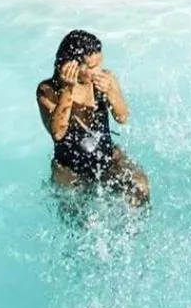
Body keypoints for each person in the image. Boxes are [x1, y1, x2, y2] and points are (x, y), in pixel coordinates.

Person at [36, 29, 150, 206]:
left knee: (140, 187)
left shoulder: (106, 79)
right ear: (71, 66)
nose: (98, 71)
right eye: (91, 67)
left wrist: (111, 92)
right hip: (69, 168)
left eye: (99, 64)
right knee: (76, 213)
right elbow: (57, 133)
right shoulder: (48, 90)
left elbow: (123, 117)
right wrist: (68, 88)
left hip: (108, 157)